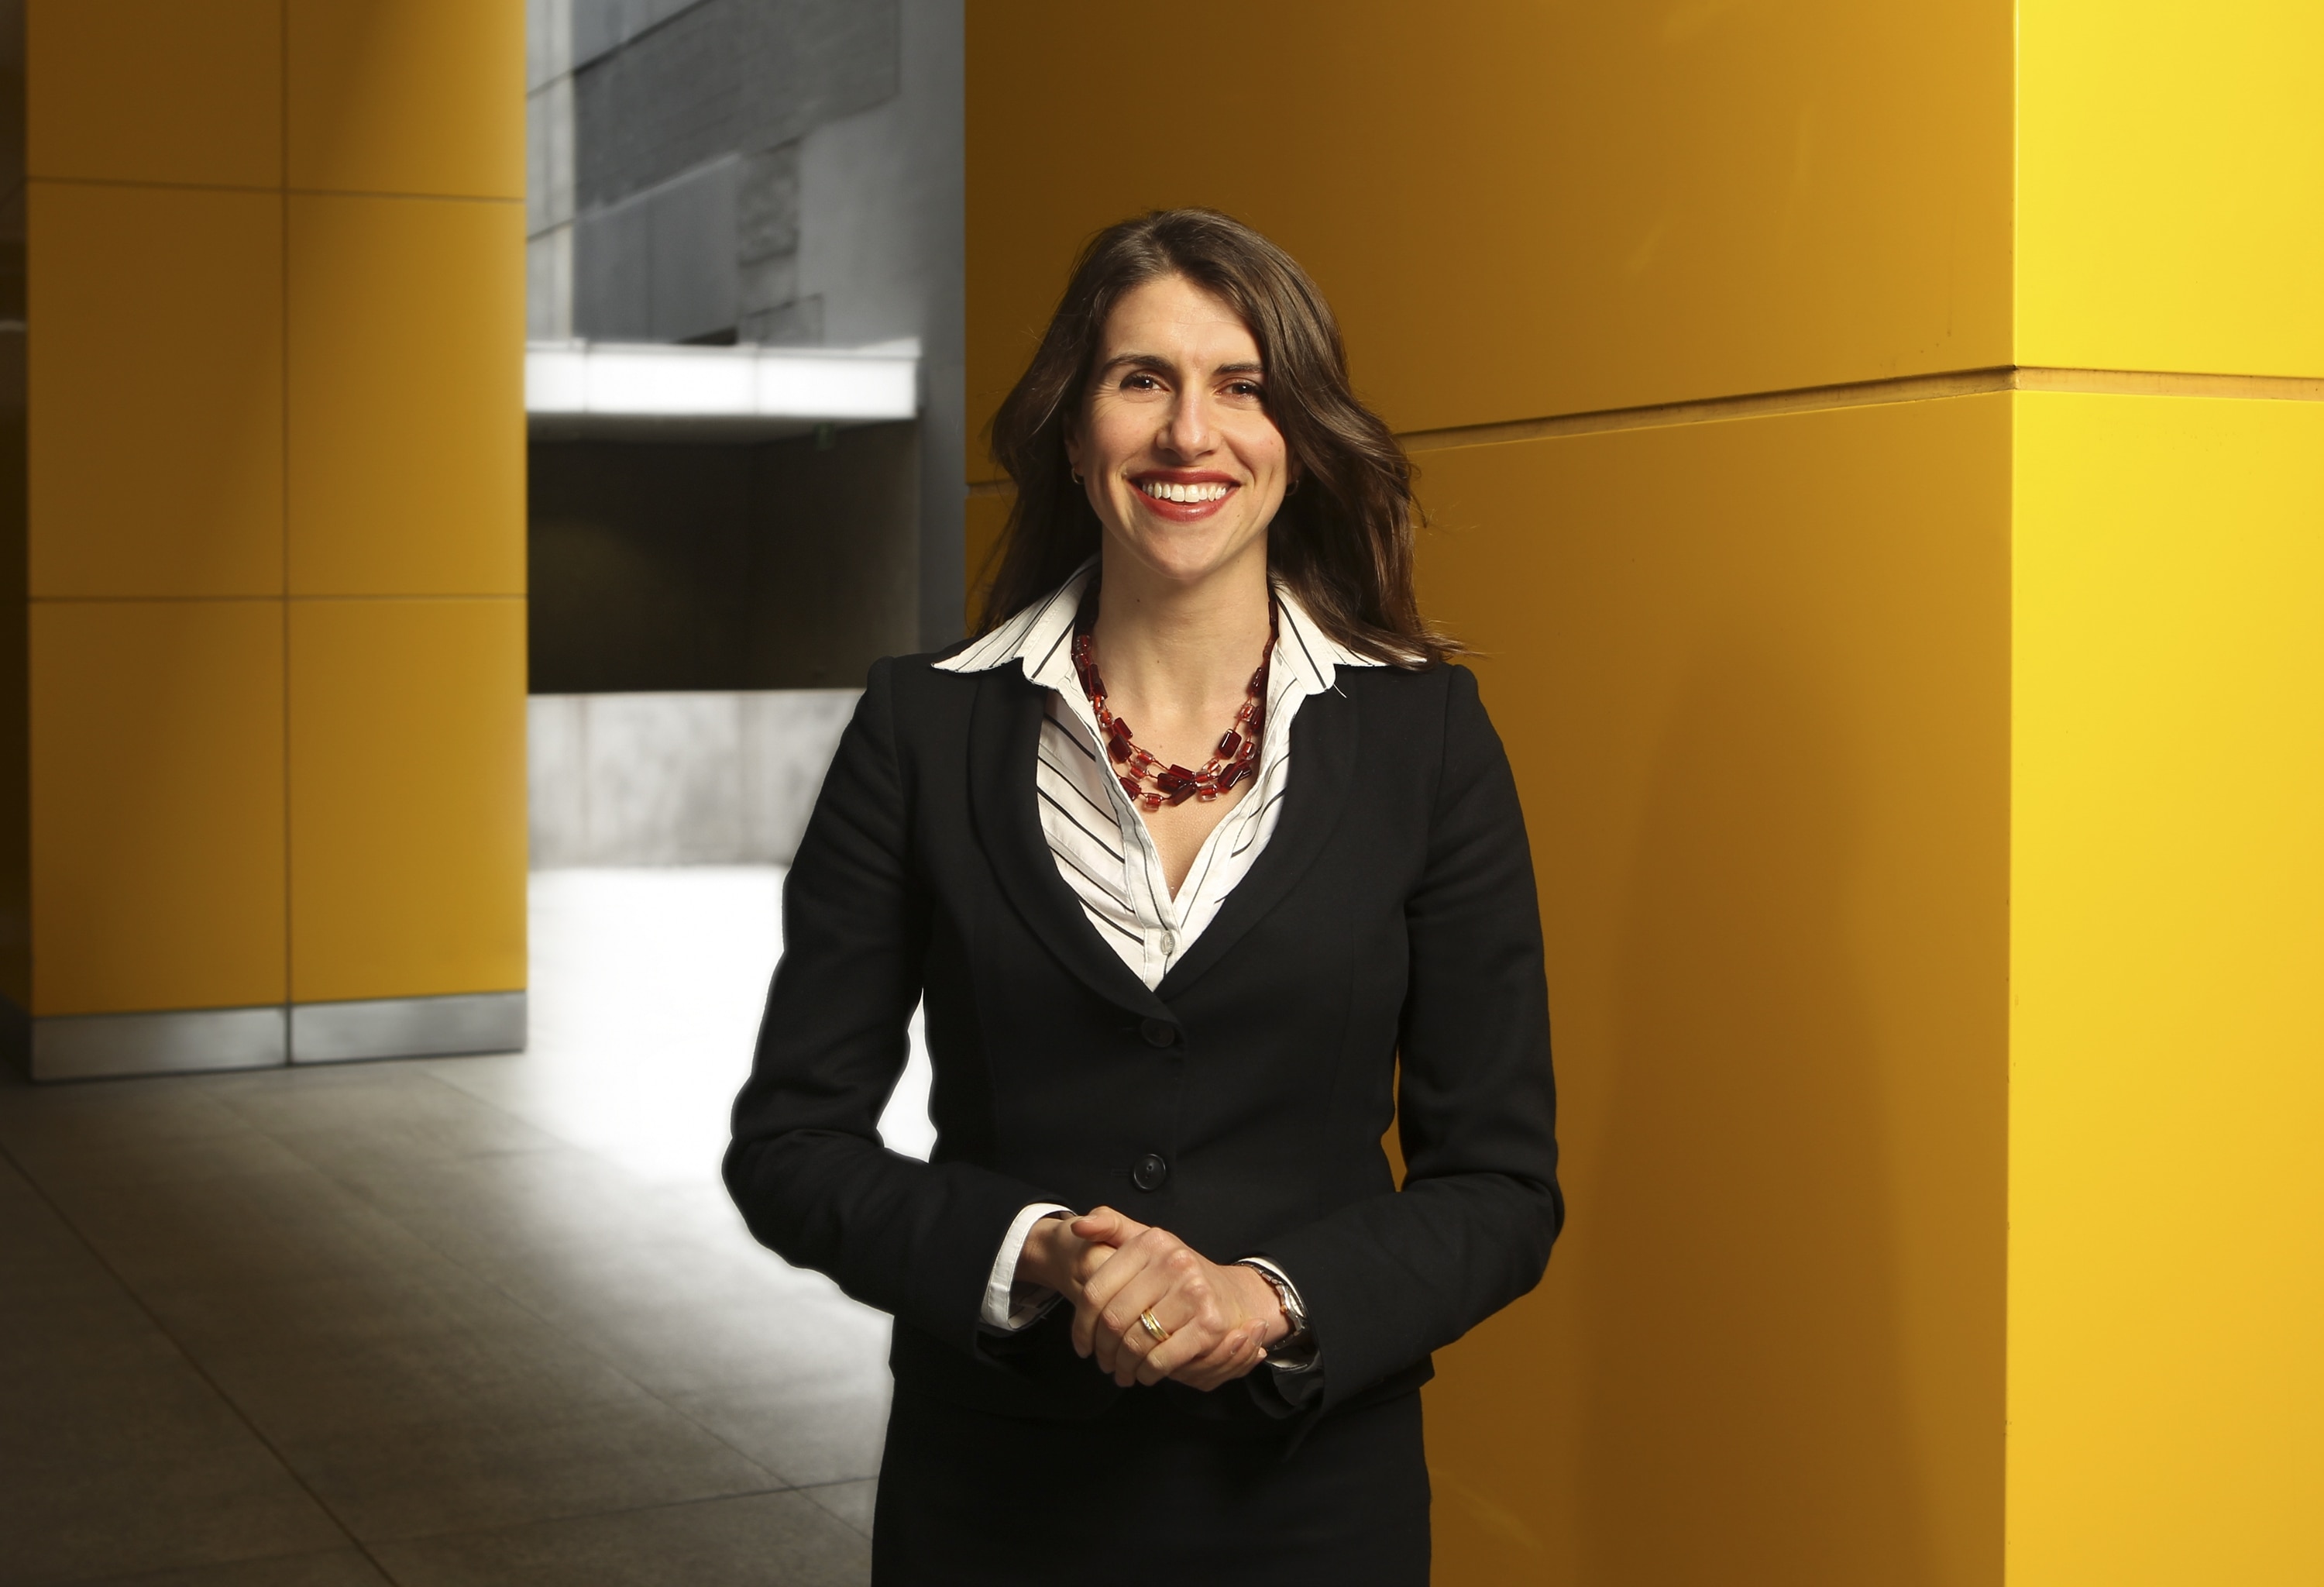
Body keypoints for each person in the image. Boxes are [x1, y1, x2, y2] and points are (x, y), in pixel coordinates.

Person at [724, 208, 1561, 1584]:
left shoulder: (1430, 743)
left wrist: (1266, 1299)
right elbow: (793, 1145)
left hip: (1312, 1507)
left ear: (1296, 436)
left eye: (1243, 386)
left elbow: (1503, 1184)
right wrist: (1036, 1251)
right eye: (1141, 381)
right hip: (994, 1507)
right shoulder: (921, 734)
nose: (1192, 435)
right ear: (1074, 429)